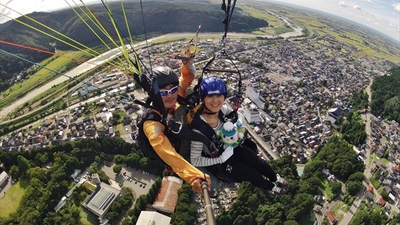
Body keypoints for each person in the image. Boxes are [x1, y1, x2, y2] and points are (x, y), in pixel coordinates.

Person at [189, 77, 288, 194]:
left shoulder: (223, 110)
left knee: (259, 163)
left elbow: (237, 117)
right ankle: (271, 187)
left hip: (233, 147)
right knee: (251, 175)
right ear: (203, 98)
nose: (215, 101)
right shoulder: (199, 128)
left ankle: (275, 178)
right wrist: (219, 159)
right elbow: (195, 160)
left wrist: (239, 125)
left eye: (219, 96)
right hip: (221, 162)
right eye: (210, 96)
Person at [142, 57, 211, 194]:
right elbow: (167, 153)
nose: (170, 96)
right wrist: (194, 177)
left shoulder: (175, 94)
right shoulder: (152, 123)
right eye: (163, 92)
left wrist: (187, 64)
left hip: (190, 143)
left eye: (173, 90)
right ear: (155, 95)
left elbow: (186, 78)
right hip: (180, 160)